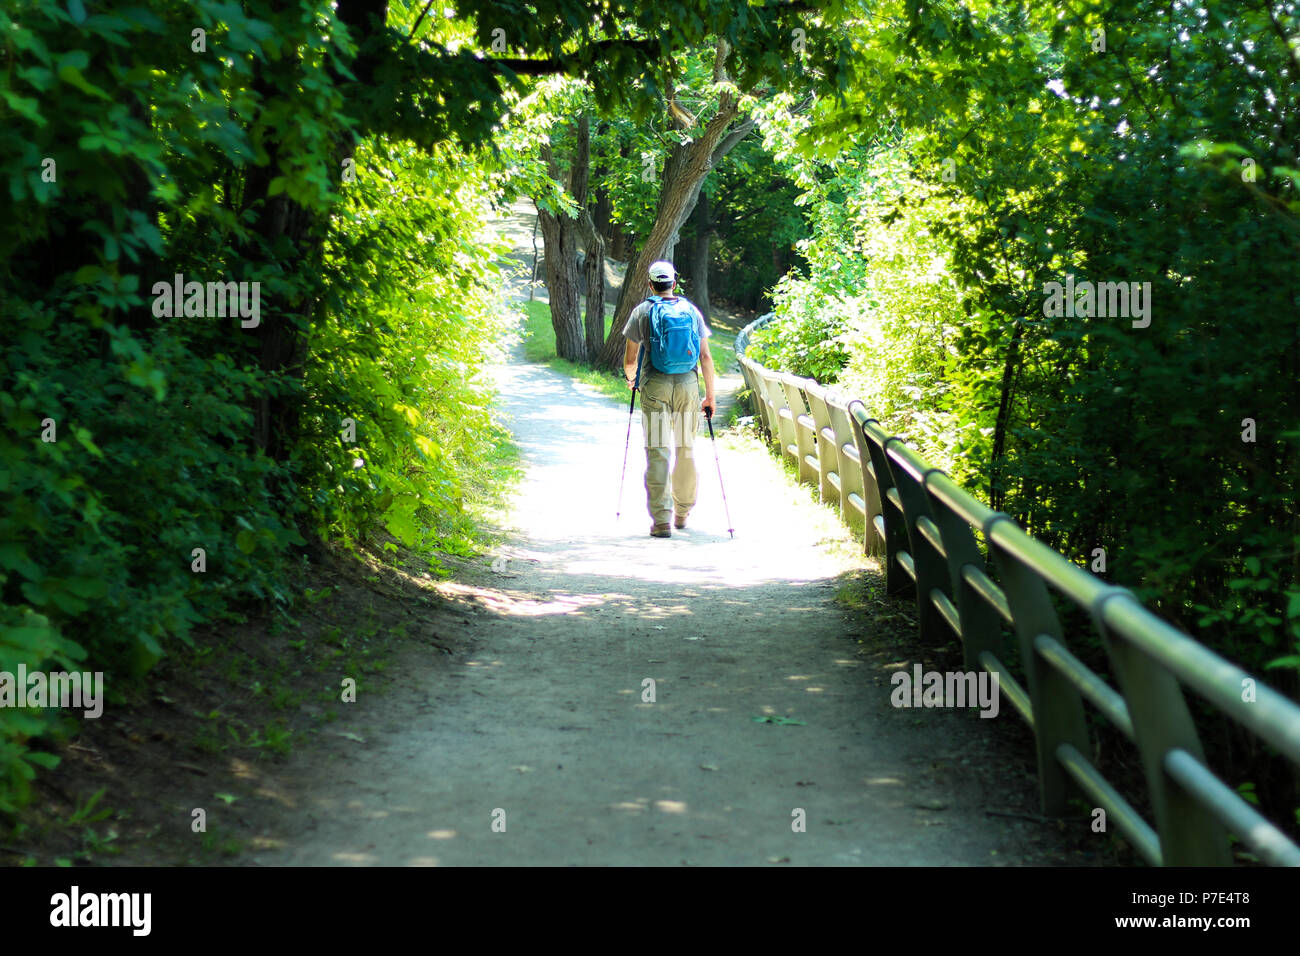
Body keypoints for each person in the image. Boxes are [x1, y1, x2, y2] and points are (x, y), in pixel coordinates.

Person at [622, 260, 717, 538]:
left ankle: (661, 520)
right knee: (686, 448)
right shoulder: (691, 311)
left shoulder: (642, 311)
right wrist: (709, 396)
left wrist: (632, 381)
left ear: (650, 285)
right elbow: (706, 357)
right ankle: (683, 512)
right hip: (688, 386)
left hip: (655, 386)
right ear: (674, 283)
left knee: (658, 450)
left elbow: (630, 361)